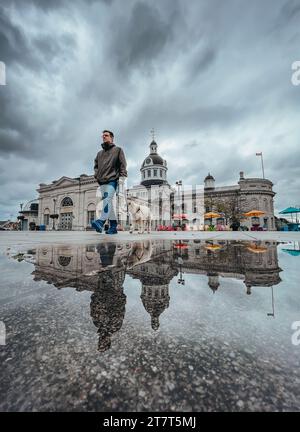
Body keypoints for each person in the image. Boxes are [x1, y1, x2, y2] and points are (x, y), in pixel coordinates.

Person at [92, 130, 127, 234]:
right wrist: (97, 176)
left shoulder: (118, 150)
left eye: (106, 135)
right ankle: (113, 227)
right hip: (102, 181)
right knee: (109, 203)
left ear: (111, 138)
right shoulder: (99, 154)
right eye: (103, 136)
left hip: (113, 179)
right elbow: (96, 166)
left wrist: (122, 177)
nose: (104, 137)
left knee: (107, 200)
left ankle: (101, 221)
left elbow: (123, 164)